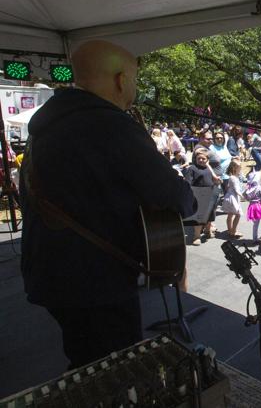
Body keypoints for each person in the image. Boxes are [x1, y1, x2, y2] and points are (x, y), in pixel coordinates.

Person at [20, 40, 196, 369]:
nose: (135, 86)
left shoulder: (48, 125)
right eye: (134, 79)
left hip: (50, 271)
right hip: (95, 279)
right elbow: (176, 197)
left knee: (84, 359)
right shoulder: (110, 125)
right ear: (120, 80)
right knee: (114, 367)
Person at [183, 149, 221, 245]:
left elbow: (214, 180)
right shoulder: (192, 168)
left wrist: (217, 182)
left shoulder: (208, 168)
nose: (200, 160)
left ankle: (208, 231)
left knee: (209, 215)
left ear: (207, 160)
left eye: (203, 158)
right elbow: (188, 183)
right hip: (198, 195)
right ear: (195, 159)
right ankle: (197, 236)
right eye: (198, 158)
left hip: (210, 194)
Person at [244, 171, 261, 244]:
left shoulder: (249, 188)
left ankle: (255, 239)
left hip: (252, 207)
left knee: (256, 224)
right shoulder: (259, 188)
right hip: (259, 206)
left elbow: (246, 197)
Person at [221, 161, 244, 239]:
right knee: (238, 214)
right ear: (234, 168)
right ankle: (233, 231)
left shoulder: (232, 177)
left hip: (230, 196)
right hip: (233, 198)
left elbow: (227, 187)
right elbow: (237, 190)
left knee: (230, 214)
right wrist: (243, 196)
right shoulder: (233, 178)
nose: (240, 168)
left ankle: (230, 230)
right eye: (239, 167)